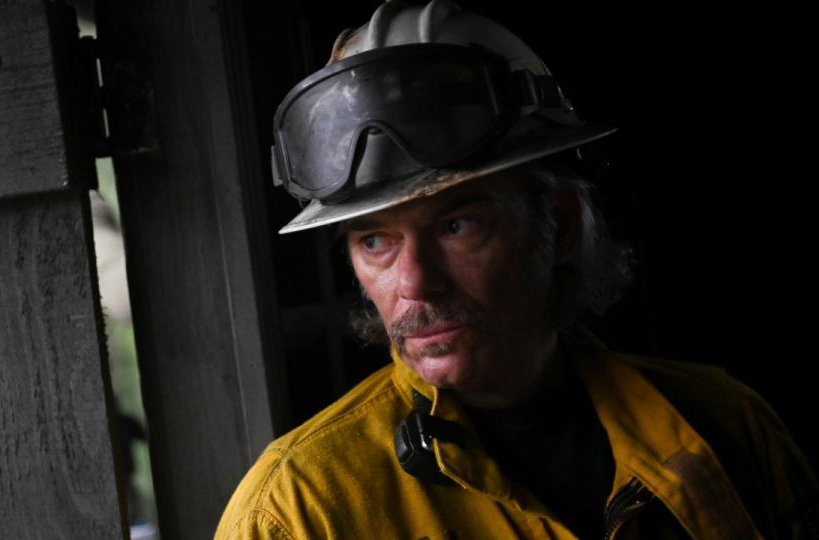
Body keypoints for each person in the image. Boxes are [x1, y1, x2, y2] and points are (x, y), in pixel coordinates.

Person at [215, 1, 818, 538]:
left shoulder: (730, 427)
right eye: (376, 241)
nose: (415, 282)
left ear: (559, 222)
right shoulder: (297, 513)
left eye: (457, 226)